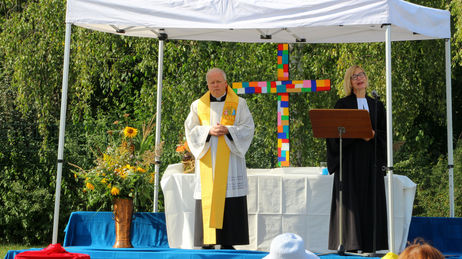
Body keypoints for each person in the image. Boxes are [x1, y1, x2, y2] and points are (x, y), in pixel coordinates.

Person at [185, 67, 255, 250]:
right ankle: (208, 240)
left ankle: (228, 240)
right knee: (208, 196)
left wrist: (229, 130)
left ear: (225, 83)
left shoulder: (239, 104)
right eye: (211, 82)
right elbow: (190, 130)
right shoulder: (198, 105)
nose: (215, 85)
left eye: (218, 82)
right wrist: (208, 130)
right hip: (208, 160)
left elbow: (248, 128)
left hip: (231, 161)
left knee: (229, 196)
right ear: (207, 84)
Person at [326, 65, 388, 252]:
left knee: (372, 202)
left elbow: (386, 134)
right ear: (350, 82)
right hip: (350, 163)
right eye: (355, 76)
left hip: (371, 163)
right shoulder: (342, 105)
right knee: (351, 203)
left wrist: (372, 134)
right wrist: (358, 133)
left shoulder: (377, 105)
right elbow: (333, 135)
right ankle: (351, 246)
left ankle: (371, 245)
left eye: (362, 74)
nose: (360, 78)